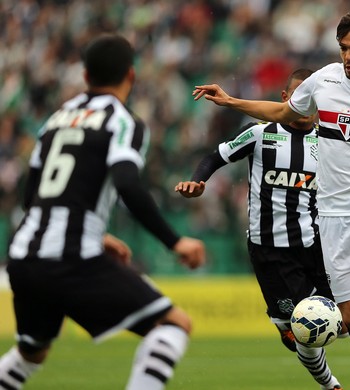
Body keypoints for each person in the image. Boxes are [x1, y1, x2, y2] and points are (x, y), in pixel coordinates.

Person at [192, 7, 350, 390]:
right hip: (332, 215)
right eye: (343, 47)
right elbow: (281, 111)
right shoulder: (324, 81)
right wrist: (231, 102)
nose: (347, 56)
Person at [0, 34, 206, 390]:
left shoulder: (55, 120)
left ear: (85, 76)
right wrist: (174, 242)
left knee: (31, 353)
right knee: (173, 325)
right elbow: (127, 183)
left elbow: (29, 196)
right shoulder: (122, 121)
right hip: (70, 257)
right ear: (131, 75)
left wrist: (97, 231)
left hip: (23, 255)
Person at [175, 68, 343, 390]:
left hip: (317, 245)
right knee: (296, 334)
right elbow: (215, 157)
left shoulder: (328, 142)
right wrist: (199, 181)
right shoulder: (260, 133)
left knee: (347, 321)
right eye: (297, 99)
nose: (304, 106)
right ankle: (330, 385)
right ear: (285, 99)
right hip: (269, 250)